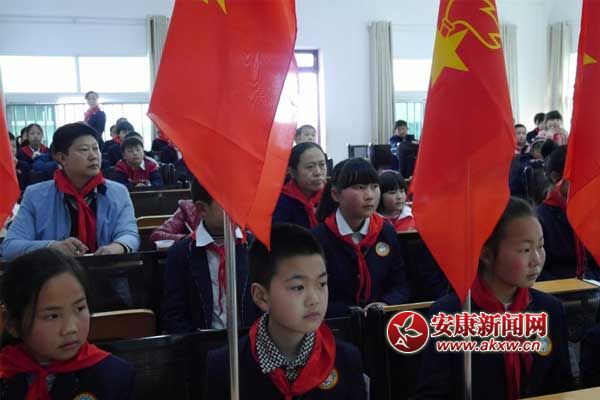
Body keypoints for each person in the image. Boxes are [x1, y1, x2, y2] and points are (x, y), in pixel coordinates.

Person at [416, 197, 573, 399]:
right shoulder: (451, 314)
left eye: (540, 246)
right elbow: (432, 394)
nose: (536, 260)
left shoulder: (550, 309)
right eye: (525, 250)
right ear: (486, 254)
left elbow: (562, 386)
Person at [203, 223, 367, 399]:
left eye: (321, 284)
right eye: (298, 287)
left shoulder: (345, 359)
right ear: (262, 297)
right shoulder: (227, 366)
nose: (314, 299)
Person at [0, 248, 135, 399]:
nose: (70, 329)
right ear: (13, 324)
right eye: (52, 316)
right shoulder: (5, 371)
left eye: (80, 308)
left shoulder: (114, 376)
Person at [1, 122, 140, 260]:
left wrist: (116, 247)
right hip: (53, 272)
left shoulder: (118, 192)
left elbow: (129, 234)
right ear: (62, 158)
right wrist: (51, 247)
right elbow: (10, 246)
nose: (93, 156)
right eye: (84, 150)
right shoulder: (35, 195)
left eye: (95, 148)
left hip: (107, 270)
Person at [312, 158, 409, 316]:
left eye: (374, 186)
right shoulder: (319, 238)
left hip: (380, 319)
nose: (369, 195)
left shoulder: (385, 231)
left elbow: (400, 285)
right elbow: (314, 294)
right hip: (336, 323)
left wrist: (385, 303)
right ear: (336, 194)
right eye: (360, 187)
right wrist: (349, 312)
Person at [161, 178, 258, 333]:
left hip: (249, 340)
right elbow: (174, 313)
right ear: (202, 209)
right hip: (200, 341)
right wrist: (195, 342)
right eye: (230, 203)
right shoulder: (180, 253)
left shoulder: (255, 247)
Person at [536, 146, 600, 281]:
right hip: (558, 289)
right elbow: (536, 271)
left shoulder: (590, 213)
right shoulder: (540, 219)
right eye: (577, 176)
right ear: (555, 177)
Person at [273, 142, 327, 229]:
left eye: (322, 165)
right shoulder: (280, 202)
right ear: (292, 172)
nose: (318, 172)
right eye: (310, 167)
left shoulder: (333, 196)